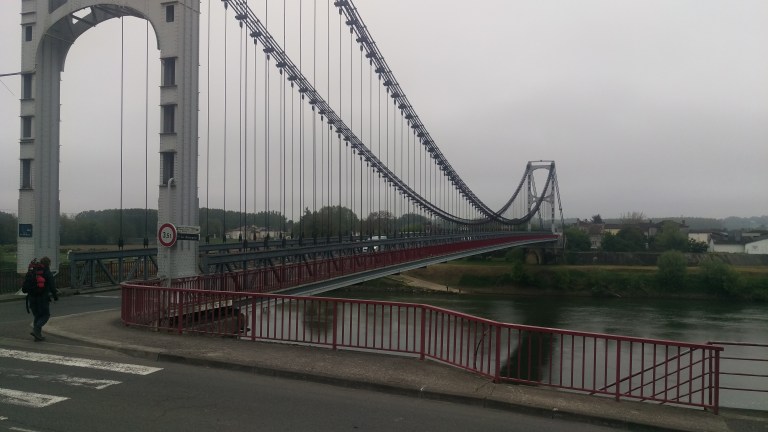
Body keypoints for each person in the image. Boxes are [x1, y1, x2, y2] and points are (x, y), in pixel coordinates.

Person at [25, 256, 59, 341]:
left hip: (31, 297)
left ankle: (38, 335)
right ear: (49, 264)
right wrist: (55, 297)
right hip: (42, 298)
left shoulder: (33, 271)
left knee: (37, 315)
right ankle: (36, 330)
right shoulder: (47, 272)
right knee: (45, 315)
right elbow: (52, 286)